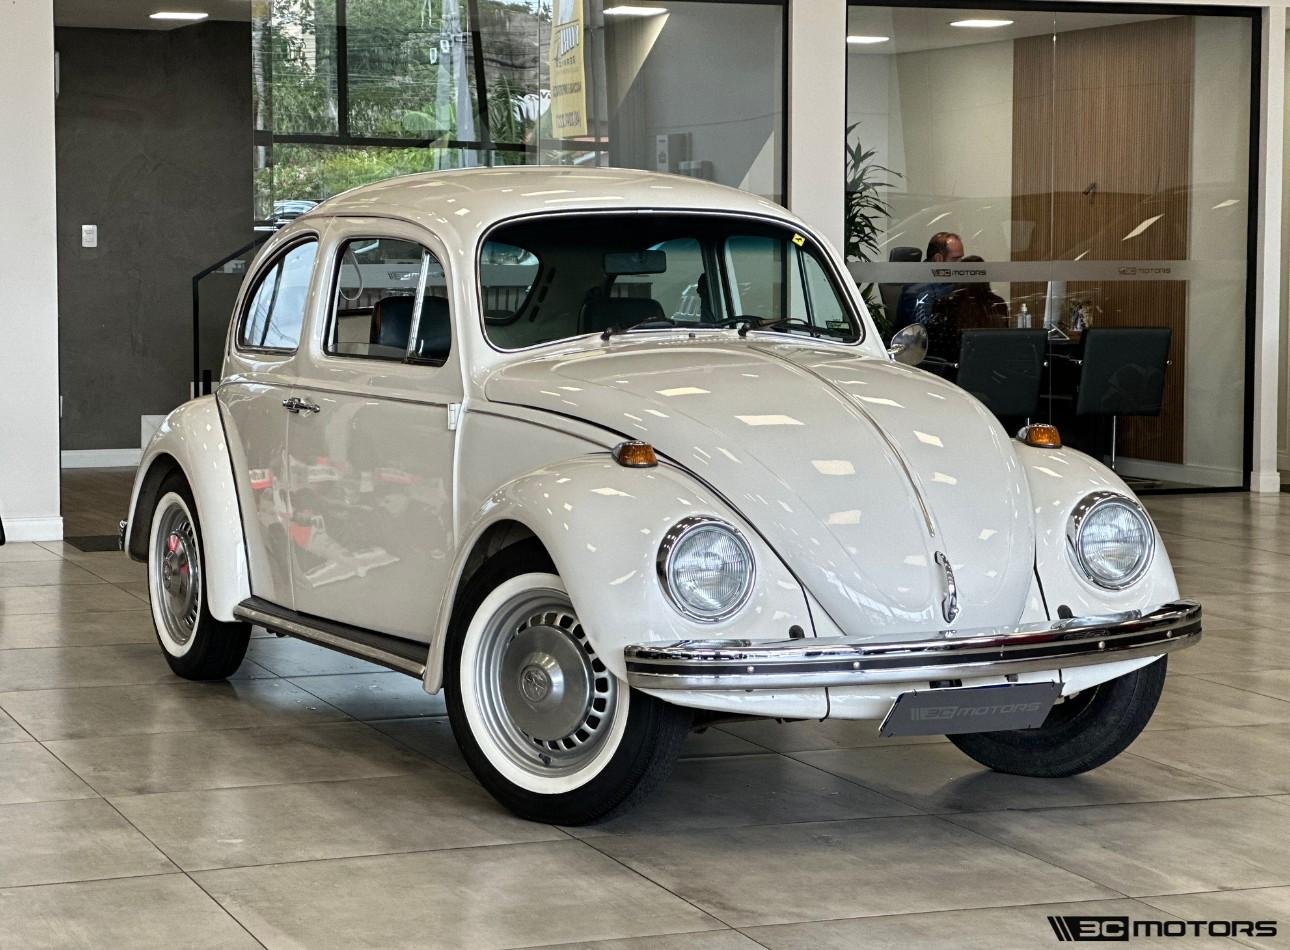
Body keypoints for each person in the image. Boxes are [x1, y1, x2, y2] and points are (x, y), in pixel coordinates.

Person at [923, 255, 1009, 364]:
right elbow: (1004, 344)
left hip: (954, 370)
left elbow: (935, 347)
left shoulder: (947, 304)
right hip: (993, 367)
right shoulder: (997, 304)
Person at [893, 231, 965, 331]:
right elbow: (924, 329)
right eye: (955, 259)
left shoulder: (954, 282)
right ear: (938, 259)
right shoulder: (919, 289)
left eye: (961, 259)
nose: (961, 264)